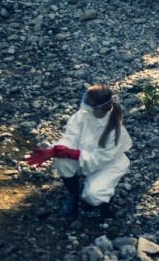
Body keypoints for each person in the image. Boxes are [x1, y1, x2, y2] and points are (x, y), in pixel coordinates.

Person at [25, 84, 132, 217]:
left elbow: (99, 159)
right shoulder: (84, 115)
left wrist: (72, 153)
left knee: (93, 195)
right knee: (61, 161)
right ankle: (73, 195)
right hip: (84, 156)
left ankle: (106, 206)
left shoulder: (115, 131)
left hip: (108, 165)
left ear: (98, 107)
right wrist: (55, 150)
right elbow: (70, 137)